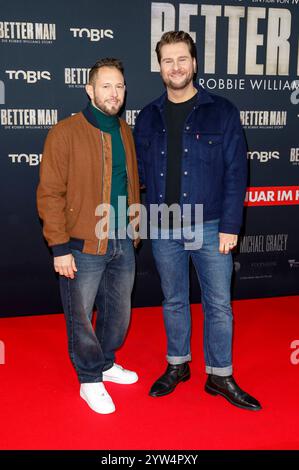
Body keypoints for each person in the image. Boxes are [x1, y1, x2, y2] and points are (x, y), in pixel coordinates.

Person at [134, 31, 261, 411]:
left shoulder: (222, 111)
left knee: (219, 303)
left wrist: (230, 226)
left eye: (182, 59)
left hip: (210, 223)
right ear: (160, 67)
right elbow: (137, 171)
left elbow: (237, 172)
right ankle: (178, 365)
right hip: (163, 223)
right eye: (168, 60)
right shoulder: (147, 116)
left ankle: (220, 375)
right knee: (173, 300)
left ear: (194, 63)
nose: (176, 67)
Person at [37, 58, 140, 415]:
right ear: (90, 89)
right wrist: (60, 247)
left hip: (122, 240)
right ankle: (89, 379)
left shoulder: (124, 129)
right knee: (80, 315)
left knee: (118, 313)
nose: (114, 93)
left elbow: (128, 184)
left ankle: (106, 362)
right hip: (82, 245)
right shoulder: (64, 133)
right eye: (107, 86)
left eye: (120, 86)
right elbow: (50, 193)